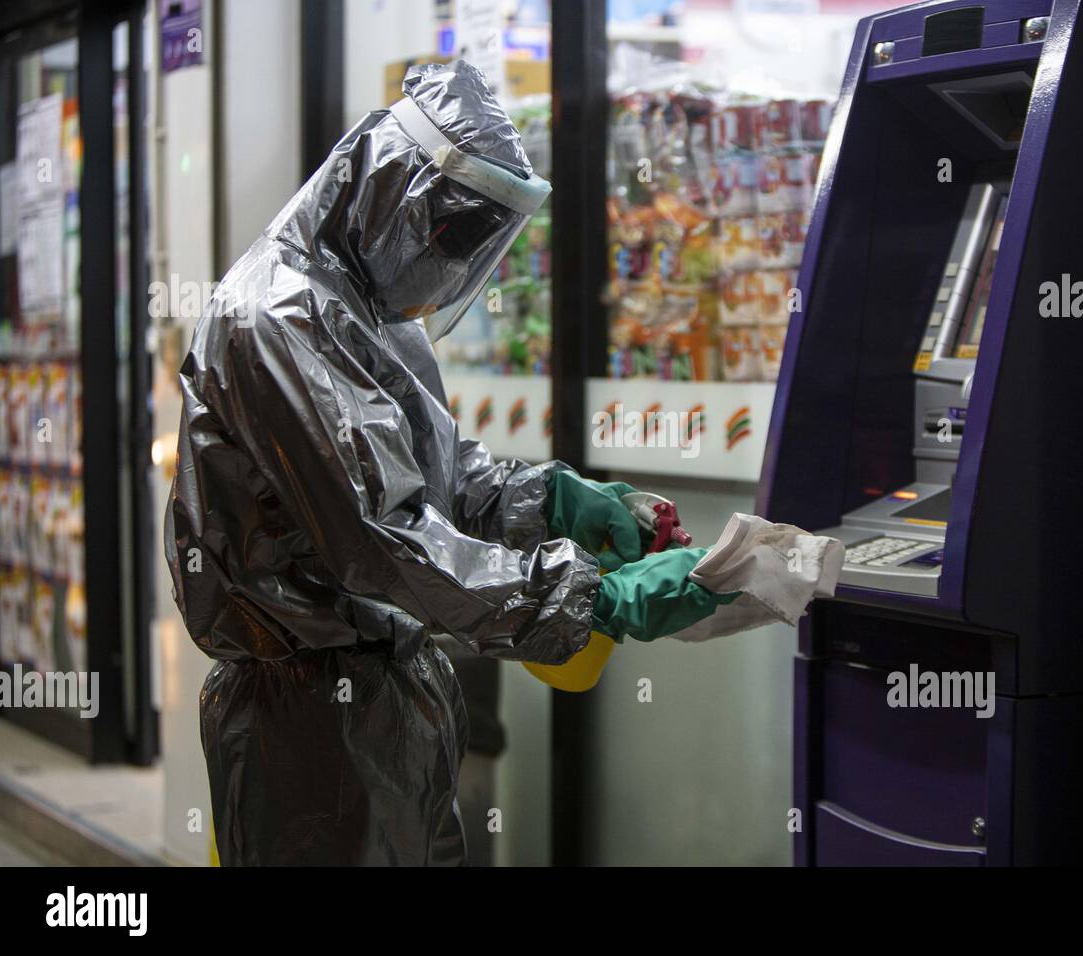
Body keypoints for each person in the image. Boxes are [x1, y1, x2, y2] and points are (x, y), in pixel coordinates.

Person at [165, 61, 725, 866]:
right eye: (452, 236)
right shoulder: (275, 319)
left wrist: (563, 500)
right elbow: (382, 543)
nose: (456, 266)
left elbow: (449, 488)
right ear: (398, 197)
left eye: (475, 244)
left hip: (397, 697)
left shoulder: (376, 313)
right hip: (306, 722)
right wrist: (591, 600)